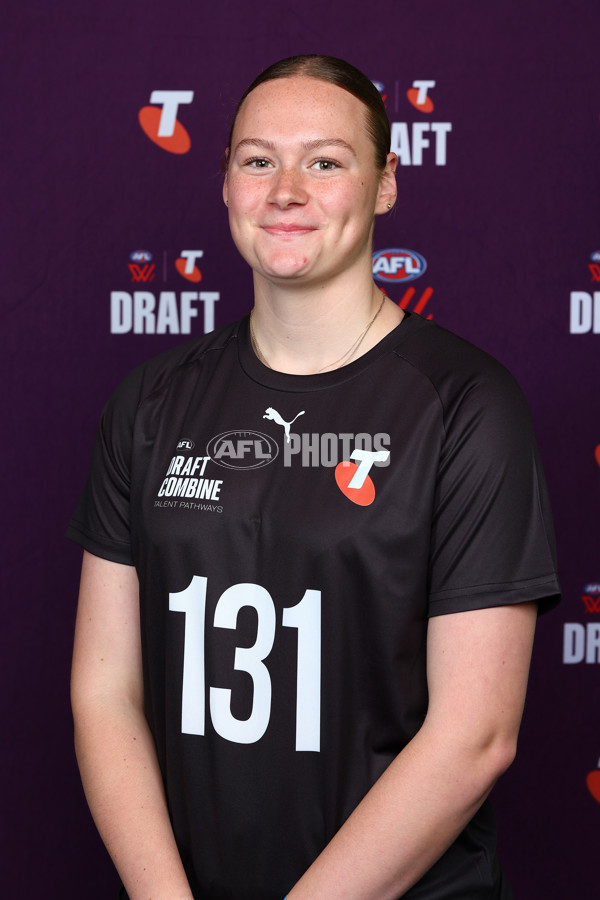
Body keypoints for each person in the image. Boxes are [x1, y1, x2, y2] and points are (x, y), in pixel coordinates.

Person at [68, 55, 560, 900]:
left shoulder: (466, 407)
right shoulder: (151, 402)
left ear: (385, 186)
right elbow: (106, 690)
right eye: (258, 160)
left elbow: (475, 735)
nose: (286, 189)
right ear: (225, 182)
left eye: (325, 161)